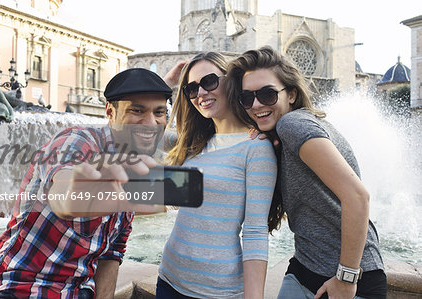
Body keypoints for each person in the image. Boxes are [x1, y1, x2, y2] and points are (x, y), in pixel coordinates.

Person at [0, 68, 172, 298]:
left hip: (77, 291)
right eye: (137, 110)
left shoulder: (133, 167)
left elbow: (112, 253)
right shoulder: (77, 140)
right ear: (110, 111)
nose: (151, 122)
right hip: (19, 288)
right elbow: (65, 190)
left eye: (159, 112)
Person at [225, 46, 387, 299]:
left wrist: (346, 277)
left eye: (267, 94)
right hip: (304, 268)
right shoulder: (285, 131)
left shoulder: (293, 124)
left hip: (350, 278)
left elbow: (358, 197)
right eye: (247, 98)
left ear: (291, 94)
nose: (256, 104)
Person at [156, 52, 277, 299]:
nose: (200, 93)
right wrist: (165, 85)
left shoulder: (256, 147)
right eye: (191, 88)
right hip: (169, 279)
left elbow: (255, 232)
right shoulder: (193, 142)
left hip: (217, 291)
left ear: (230, 81)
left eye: (209, 81)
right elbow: (134, 133)